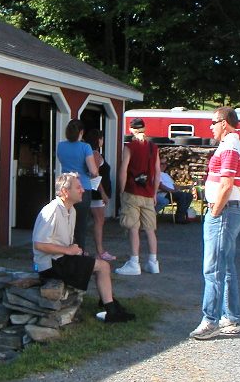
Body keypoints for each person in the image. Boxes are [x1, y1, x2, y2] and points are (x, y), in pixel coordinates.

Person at [33, 172, 135, 323]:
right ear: (65, 192)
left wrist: (73, 249)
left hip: (61, 259)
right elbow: (39, 244)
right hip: (50, 265)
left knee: (98, 264)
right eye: (78, 187)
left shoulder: (71, 210)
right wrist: (68, 250)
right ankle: (111, 310)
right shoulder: (52, 211)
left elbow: (62, 240)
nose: (83, 190)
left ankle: (108, 303)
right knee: (103, 266)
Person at [189, 106, 240, 340]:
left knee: (213, 268)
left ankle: (210, 321)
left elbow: (226, 184)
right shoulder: (230, 144)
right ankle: (230, 316)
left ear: (224, 123)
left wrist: (215, 211)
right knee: (226, 265)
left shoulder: (230, 146)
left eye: (213, 122)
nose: (210, 126)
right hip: (228, 210)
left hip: (223, 212)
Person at [115, 117, 161, 276]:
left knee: (134, 228)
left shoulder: (130, 147)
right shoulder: (153, 147)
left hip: (132, 191)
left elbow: (123, 170)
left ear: (131, 130)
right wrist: (154, 193)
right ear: (144, 129)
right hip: (148, 193)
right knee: (150, 229)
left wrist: (121, 190)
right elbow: (157, 173)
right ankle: (153, 262)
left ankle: (134, 262)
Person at [56, 119, 98, 253]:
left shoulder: (61, 146)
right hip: (82, 187)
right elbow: (93, 171)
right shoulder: (85, 147)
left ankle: (63, 251)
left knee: (64, 222)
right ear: (81, 132)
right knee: (80, 224)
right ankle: (79, 253)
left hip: (65, 187)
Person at [84, 129, 117, 261]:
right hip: (96, 194)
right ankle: (100, 251)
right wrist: (103, 193)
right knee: (99, 222)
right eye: (102, 138)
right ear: (98, 140)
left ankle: (84, 248)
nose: (103, 140)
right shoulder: (95, 154)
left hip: (93, 193)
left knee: (91, 221)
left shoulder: (89, 153)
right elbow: (94, 175)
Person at [156, 156, 193, 224]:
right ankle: (179, 218)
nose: (164, 165)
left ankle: (183, 215)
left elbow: (175, 186)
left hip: (172, 194)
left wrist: (186, 187)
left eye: (165, 163)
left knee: (189, 195)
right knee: (181, 195)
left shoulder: (166, 175)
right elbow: (160, 186)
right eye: (162, 164)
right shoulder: (156, 173)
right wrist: (172, 191)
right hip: (163, 194)